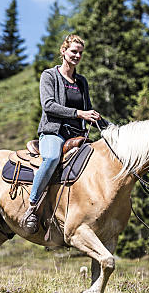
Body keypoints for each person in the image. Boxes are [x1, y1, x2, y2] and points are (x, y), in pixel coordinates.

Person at [21, 34, 102, 234]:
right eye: (74, 51)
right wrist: (78, 113)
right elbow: (48, 106)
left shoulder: (81, 81)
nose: (77, 55)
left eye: (80, 53)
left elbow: (87, 108)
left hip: (77, 136)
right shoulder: (49, 75)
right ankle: (32, 207)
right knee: (51, 158)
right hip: (53, 132)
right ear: (63, 51)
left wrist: (108, 126)